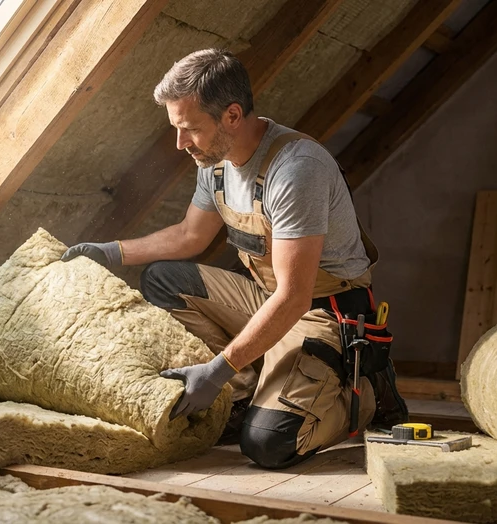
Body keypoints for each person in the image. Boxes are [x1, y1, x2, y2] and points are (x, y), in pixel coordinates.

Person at [61, 48, 407, 469]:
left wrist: (217, 367)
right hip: (269, 299)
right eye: (176, 128)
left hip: (323, 314)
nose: (180, 143)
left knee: (268, 444)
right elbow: (191, 235)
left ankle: (365, 391)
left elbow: (296, 297)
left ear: (232, 115)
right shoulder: (215, 161)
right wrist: (112, 252)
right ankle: (242, 394)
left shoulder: (296, 169)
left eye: (189, 129)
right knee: (163, 280)